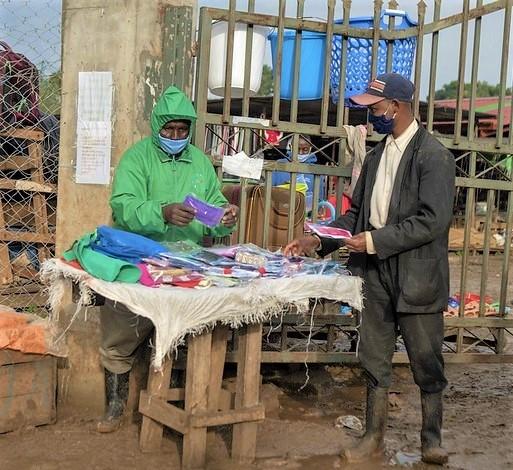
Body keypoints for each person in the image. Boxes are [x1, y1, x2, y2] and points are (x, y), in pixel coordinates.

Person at [284, 73, 455, 465]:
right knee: (374, 357)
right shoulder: (378, 156)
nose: (369, 115)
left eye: (374, 108)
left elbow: (433, 221)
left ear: (396, 106)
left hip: (416, 275)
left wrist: (375, 240)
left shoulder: (434, 157)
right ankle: (372, 436)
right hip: (375, 273)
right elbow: (356, 216)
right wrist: (319, 239)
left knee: (426, 360)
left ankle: (431, 439)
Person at [96, 86, 239, 433]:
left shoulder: (200, 162)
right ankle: (115, 406)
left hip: (187, 261)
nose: (175, 136)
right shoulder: (138, 158)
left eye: (181, 130)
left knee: (191, 332)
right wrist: (161, 212)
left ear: (189, 129)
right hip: (140, 258)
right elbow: (124, 205)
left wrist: (224, 215)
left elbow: (213, 202)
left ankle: (186, 403)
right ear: (157, 126)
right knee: (121, 332)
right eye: (168, 129)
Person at [271, 135, 325, 212]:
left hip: (306, 218)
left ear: (311, 148)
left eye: (305, 149)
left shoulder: (316, 172)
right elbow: (269, 194)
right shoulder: (279, 166)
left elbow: (319, 202)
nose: (300, 152)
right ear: (291, 147)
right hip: (279, 214)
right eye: (297, 149)